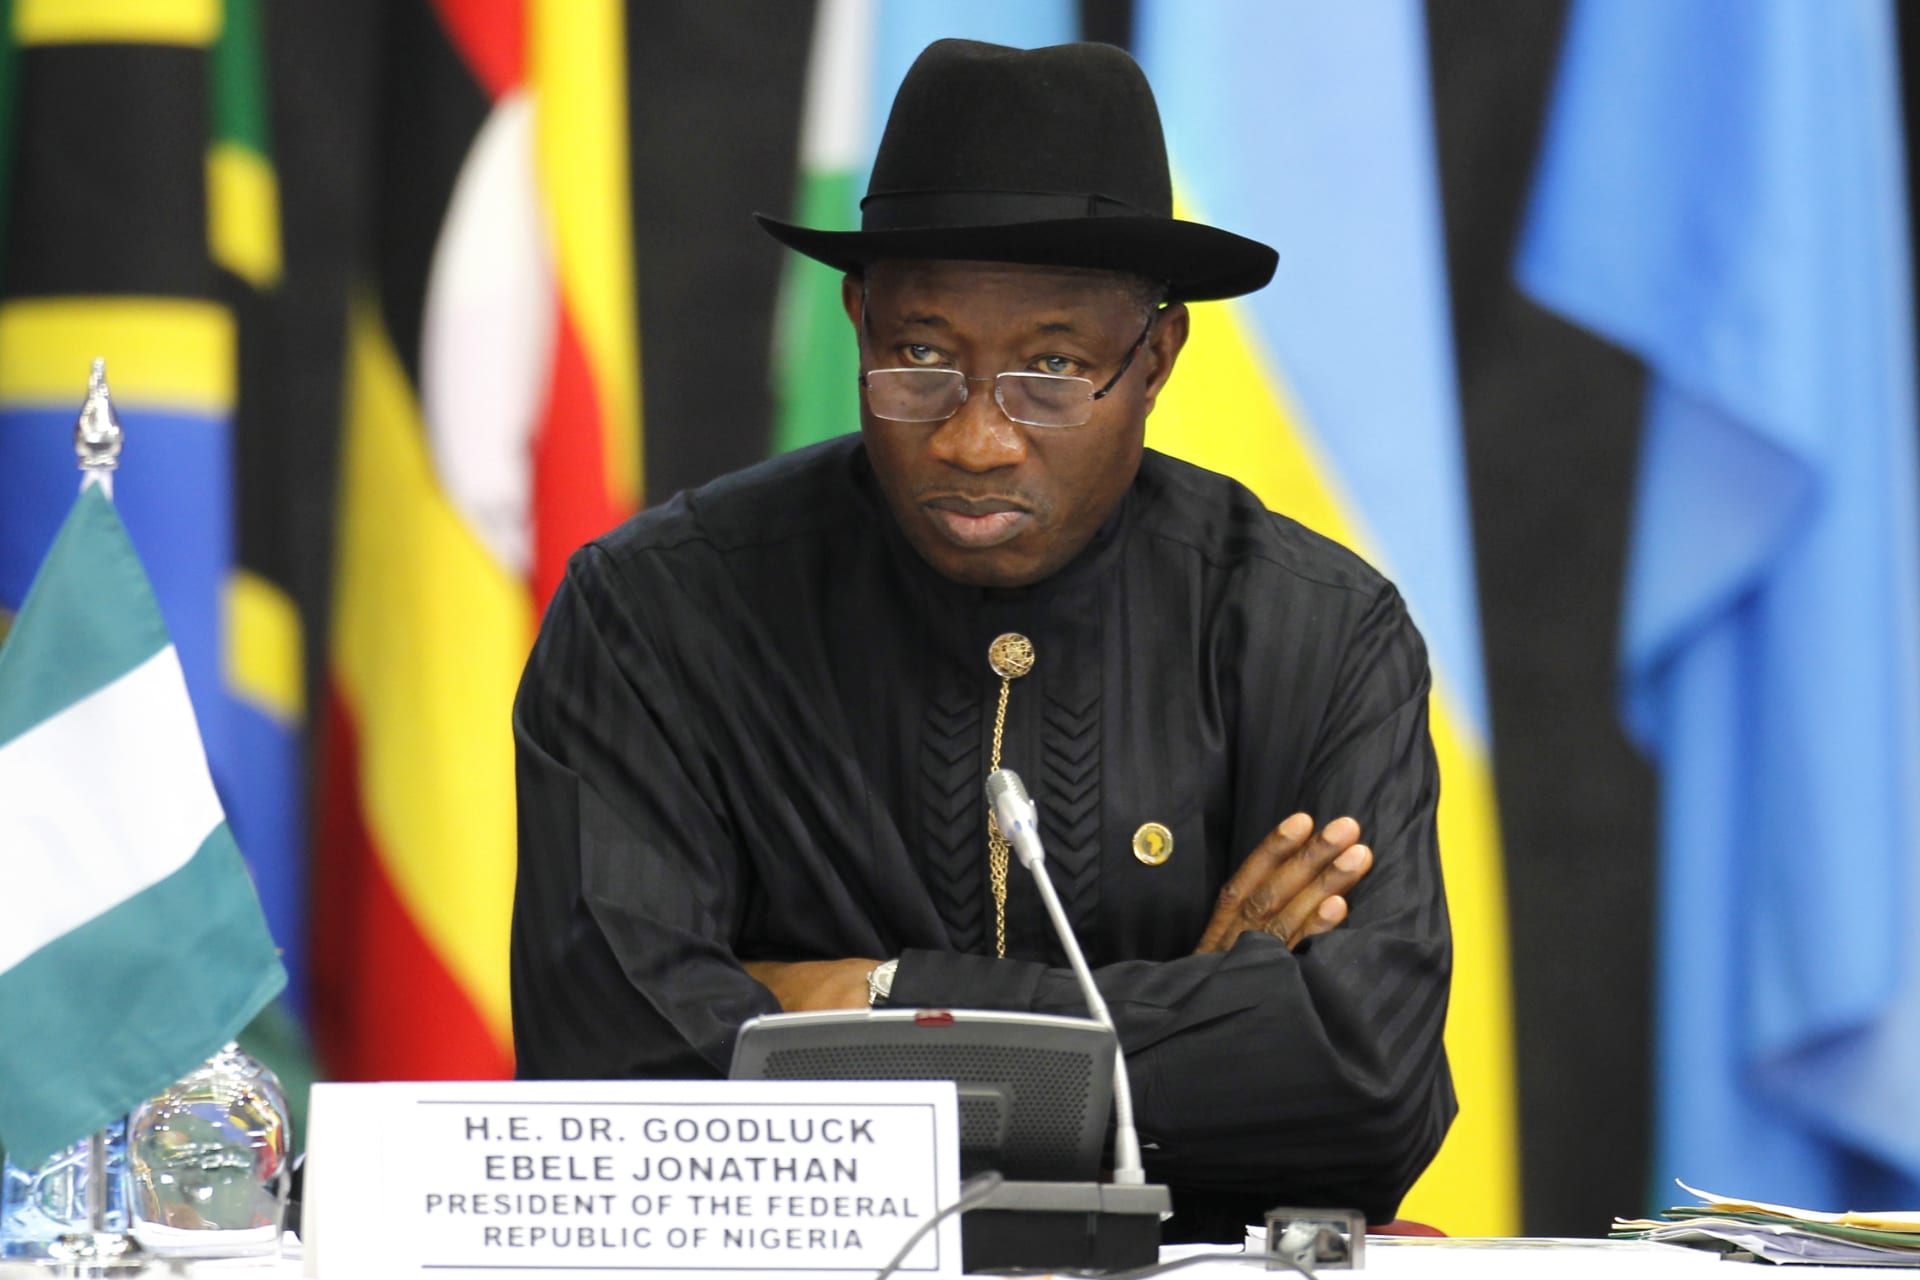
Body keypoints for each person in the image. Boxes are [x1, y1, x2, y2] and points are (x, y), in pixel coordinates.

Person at [511, 38, 1454, 1242]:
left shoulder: (1313, 630)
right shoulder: (655, 614)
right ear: (856, 319)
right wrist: (1207, 1013)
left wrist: (870, 997)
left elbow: (1367, 1088)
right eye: (918, 357)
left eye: (1052, 370)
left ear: (1155, 359)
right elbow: (622, 1074)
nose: (974, 439)